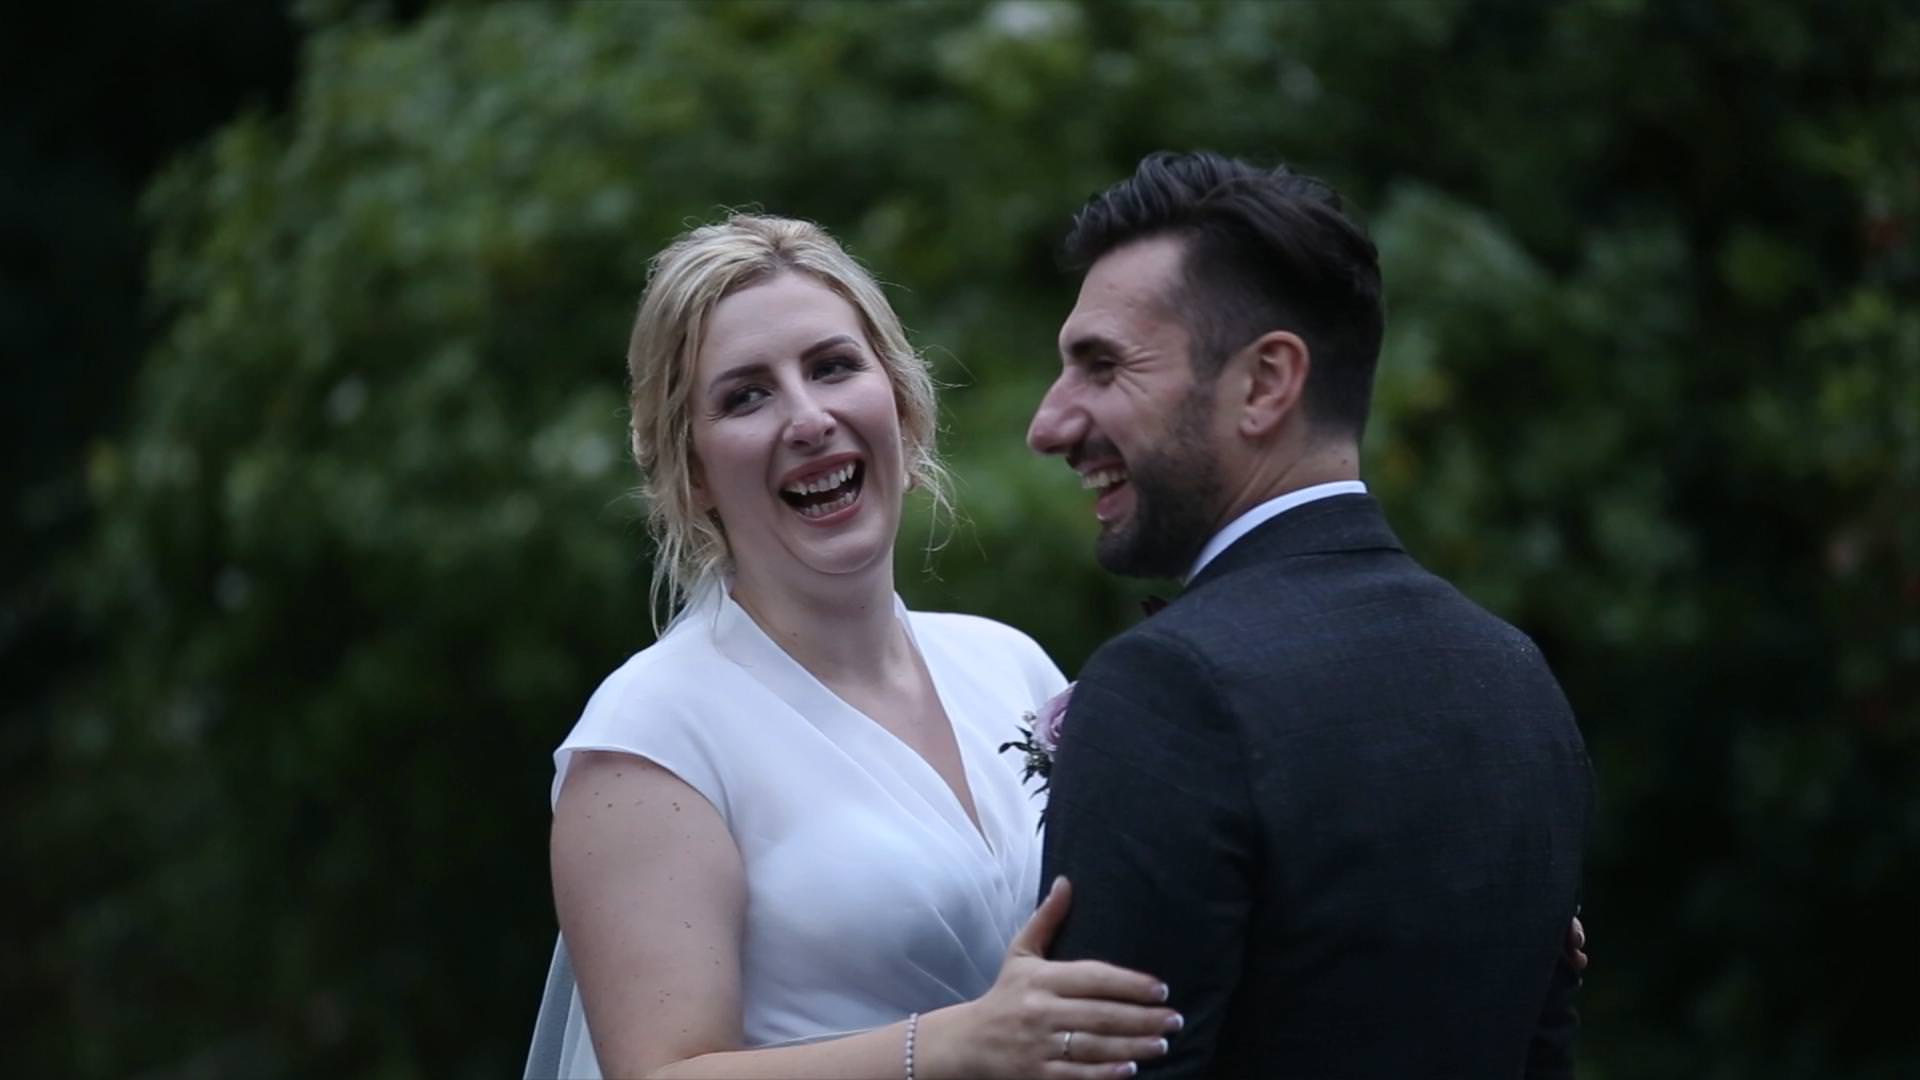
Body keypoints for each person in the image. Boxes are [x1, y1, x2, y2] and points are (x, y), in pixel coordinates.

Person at [525, 214, 1180, 1080]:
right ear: (690, 472)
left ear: (901, 405)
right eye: (745, 396)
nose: (808, 418)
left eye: (833, 368)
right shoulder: (649, 735)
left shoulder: (1009, 664)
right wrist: (946, 1049)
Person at [1026, 151, 1596, 1077]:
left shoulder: (1170, 689)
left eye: (1102, 366)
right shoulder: (1516, 679)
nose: (1048, 424)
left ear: (1264, 383)